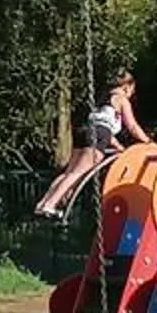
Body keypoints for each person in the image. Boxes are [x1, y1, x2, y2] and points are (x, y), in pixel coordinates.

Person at [38, 70, 148, 219]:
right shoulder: (121, 99)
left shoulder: (102, 98)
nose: (131, 94)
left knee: (69, 173)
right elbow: (132, 127)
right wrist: (148, 142)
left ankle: (43, 203)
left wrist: (118, 147)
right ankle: (50, 205)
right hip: (97, 135)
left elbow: (103, 125)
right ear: (127, 86)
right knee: (78, 174)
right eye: (132, 90)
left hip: (84, 132)